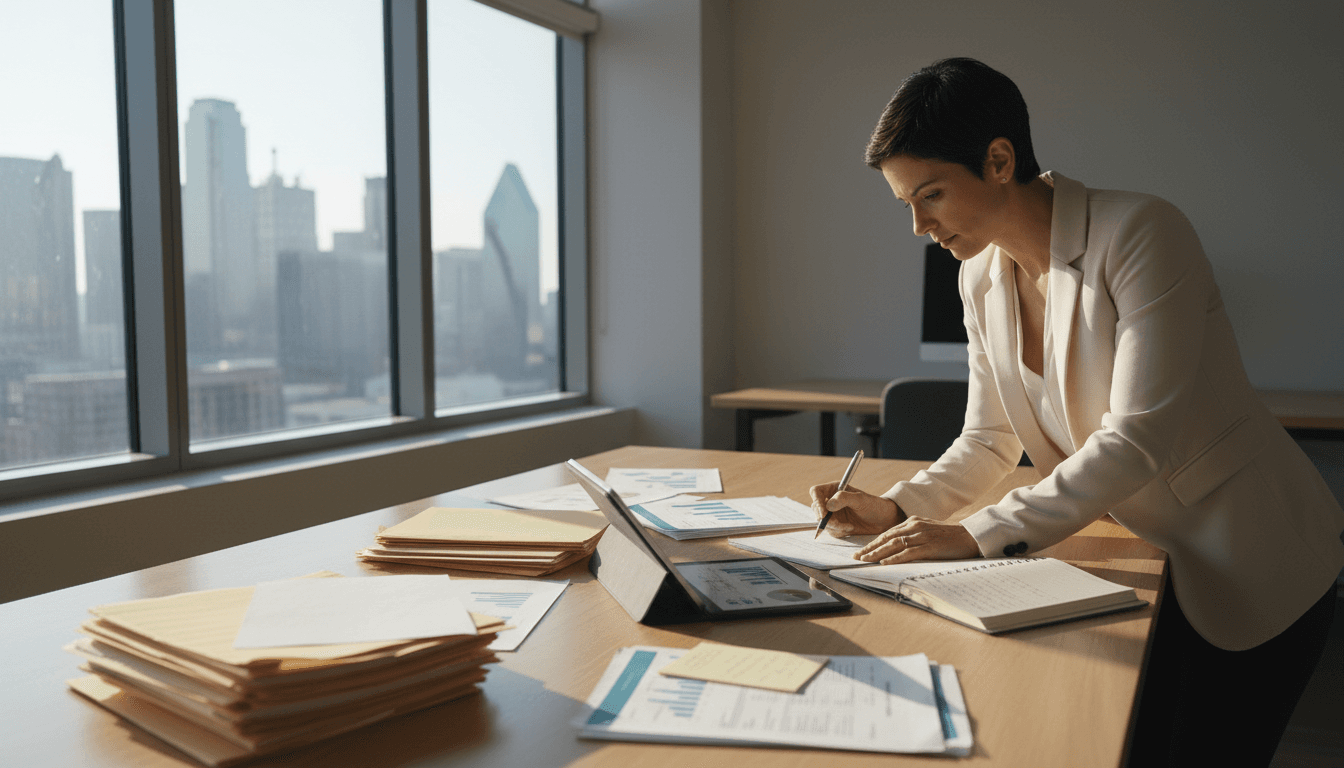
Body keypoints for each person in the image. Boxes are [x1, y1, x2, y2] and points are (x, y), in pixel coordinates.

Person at [810, 57, 1344, 766]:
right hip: (1151, 559)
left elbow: (1137, 438)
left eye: (930, 194)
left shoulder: (1143, 232)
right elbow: (988, 438)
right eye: (907, 202)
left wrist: (977, 534)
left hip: (1253, 551)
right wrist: (897, 508)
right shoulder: (980, 275)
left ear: (999, 160)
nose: (918, 226)